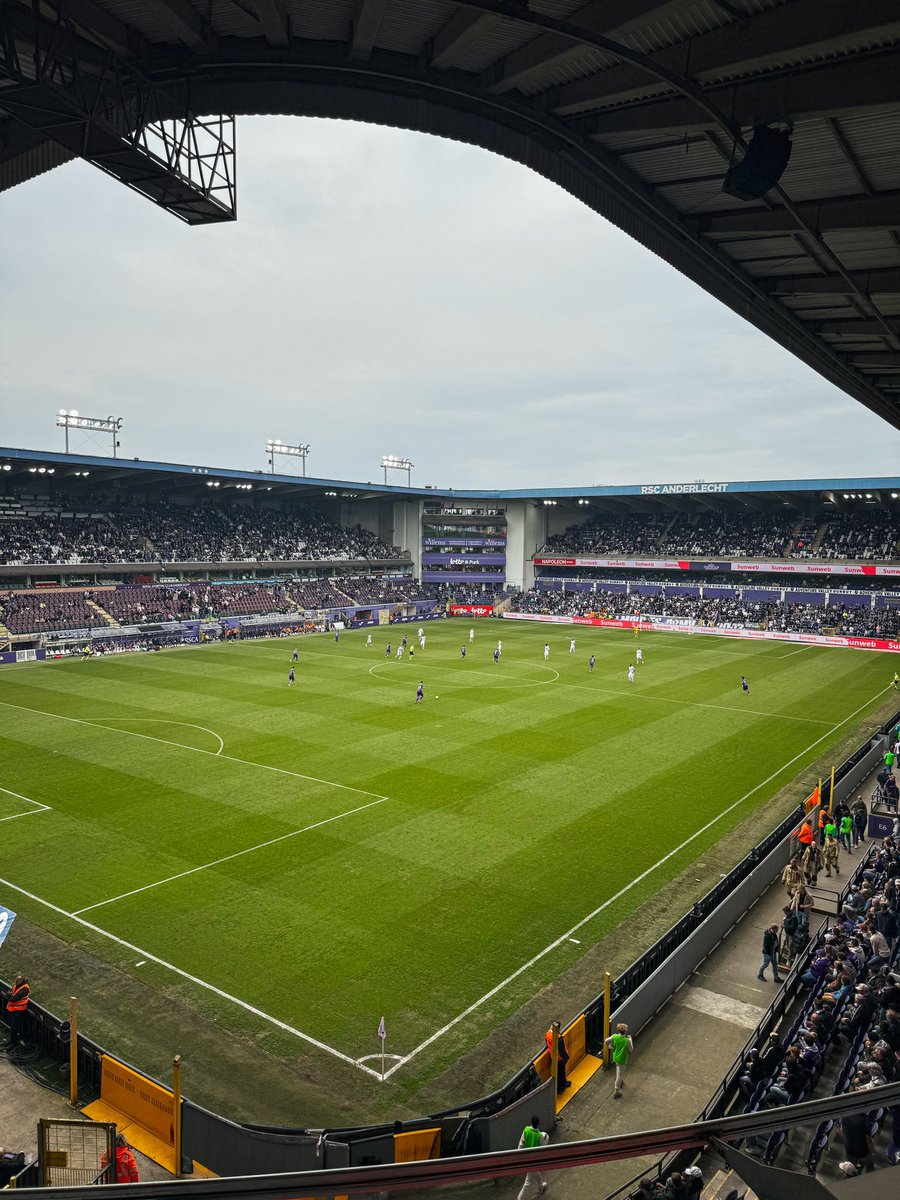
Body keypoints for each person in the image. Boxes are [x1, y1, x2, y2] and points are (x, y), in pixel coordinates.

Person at [516, 1115, 549, 1200]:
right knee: (528, 1181)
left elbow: (521, 1144)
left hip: (526, 1158)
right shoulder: (539, 1135)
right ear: (538, 1124)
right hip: (533, 1161)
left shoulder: (526, 1130)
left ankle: (541, 1187)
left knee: (535, 1173)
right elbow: (542, 1149)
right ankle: (520, 1198)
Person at [605, 1022, 633, 1099]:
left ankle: (620, 1082)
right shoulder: (626, 1040)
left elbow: (606, 1041)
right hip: (622, 1059)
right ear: (625, 1031)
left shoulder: (615, 1036)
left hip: (616, 1057)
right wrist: (630, 1039)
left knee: (619, 1071)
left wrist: (610, 1047)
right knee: (619, 1076)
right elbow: (631, 1050)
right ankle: (616, 1092)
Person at [5, 975, 29, 1046]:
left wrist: (10, 995)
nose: (15, 982)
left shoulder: (25, 989)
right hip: (14, 1009)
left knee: (15, 1026)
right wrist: (10, 995)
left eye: (17, 980)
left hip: (19, 1010)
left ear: (21, 981)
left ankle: (14, 1042)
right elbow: (9, 992)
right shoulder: (17, 986)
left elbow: (13, 999)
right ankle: (15, 1040)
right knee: (14, 1026)